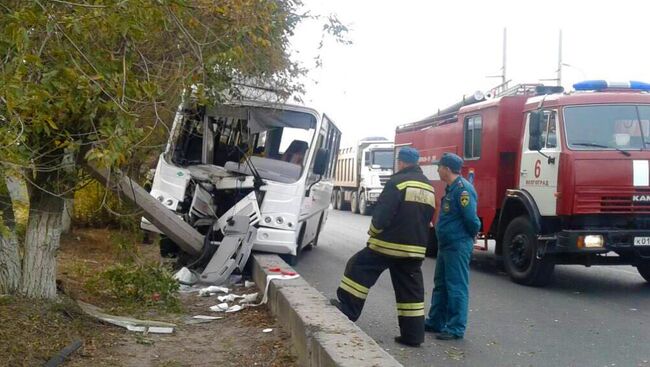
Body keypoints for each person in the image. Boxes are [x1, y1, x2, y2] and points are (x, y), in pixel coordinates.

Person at [330, 147, 435, 347]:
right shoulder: (428, 186)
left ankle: (347, 310)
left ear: (401, 162)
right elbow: (428, 217)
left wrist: (374, 230)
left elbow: (382, 214)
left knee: (358, 268)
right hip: (415, 250)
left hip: (388, 245)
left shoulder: (397, 182)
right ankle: (413, 336)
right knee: (411, 292)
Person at [425, 152, 480, 340]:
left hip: (457, 245)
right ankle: (436, 321)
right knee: (440, 284)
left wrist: (468, 236)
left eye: (439, 167)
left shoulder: (463, 190)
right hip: (446, 244)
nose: (438, 170)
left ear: (447, 169)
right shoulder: (451, 188)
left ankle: (455, 327)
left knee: (456, 286)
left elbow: (472, 220)